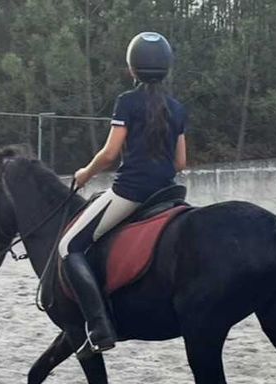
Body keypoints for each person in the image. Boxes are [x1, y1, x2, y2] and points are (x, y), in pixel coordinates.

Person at [59, 31, 187, 356]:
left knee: (69, 245)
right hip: (168, 195)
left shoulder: (127, 102)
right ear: (167, 69)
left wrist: (85, 174)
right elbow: (181, 162)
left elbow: (110, 153)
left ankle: (100, 327)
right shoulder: (177, 107)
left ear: (132, 69)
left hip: (131, 193)